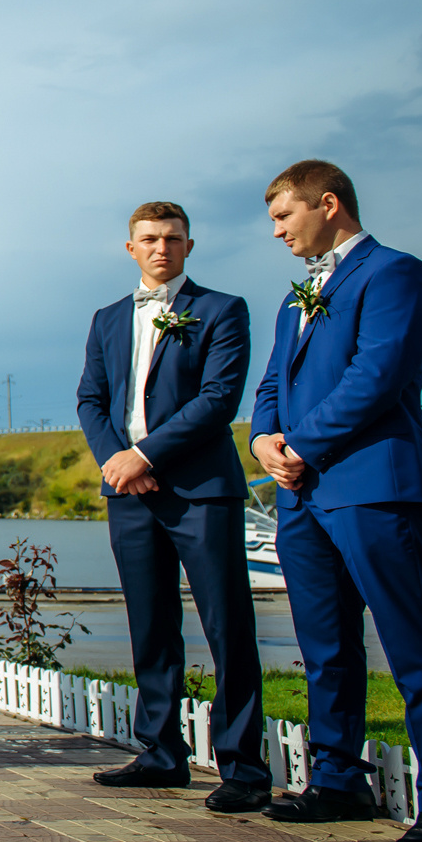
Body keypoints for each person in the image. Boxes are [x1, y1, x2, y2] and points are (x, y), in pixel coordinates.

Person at [248, 160, 422, 842]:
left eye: (284, 216)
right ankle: (337, 780)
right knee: (325, 646)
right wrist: (263, 440)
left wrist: (300, 443)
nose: (277, 231)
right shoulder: (294, 298)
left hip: (373, 484)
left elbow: (377, 375)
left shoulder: (395, 273)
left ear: (327, 204)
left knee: (415, 644)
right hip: (301, 496)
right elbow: (272, 383)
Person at [76, 201, 268, 810]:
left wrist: (145, 456)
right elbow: (90, 400)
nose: (162, 248)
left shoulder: (222, 310)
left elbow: (218, 399)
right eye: (151, 239)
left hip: (200, 490)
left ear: (189, 245)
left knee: (227, 625)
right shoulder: (108, 318)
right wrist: (117, 462)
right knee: (151, 624)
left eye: (173, 238)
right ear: (130, 247)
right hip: (128, 494)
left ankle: (243, 768)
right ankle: (161, 753)